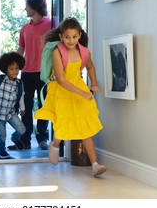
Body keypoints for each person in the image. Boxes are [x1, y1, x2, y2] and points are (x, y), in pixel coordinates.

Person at [35, 17, 106, 177]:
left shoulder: (84, 52)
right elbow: (61, 79)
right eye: (67, 37)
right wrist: (83, 93)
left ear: (79, 35)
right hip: (61, 90)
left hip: (78, 87)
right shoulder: (57, 52)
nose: (71, 40)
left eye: (74, 36)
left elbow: (90, 66)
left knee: (85, 126)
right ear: (61, 36)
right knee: (63, 121)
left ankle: (95, 165)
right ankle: (56, 144)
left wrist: (94, 83)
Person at [9, 0, 51, 151]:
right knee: (25, 107)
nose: (25, 9)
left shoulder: (51, 24)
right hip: (26, 72)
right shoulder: (24, 28)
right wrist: (12, 66)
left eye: (27, 6)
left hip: (45, 73)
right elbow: (21, 48)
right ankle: (25, 140)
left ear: (34, 7)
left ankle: (42, 137)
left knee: (43, 106)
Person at [0, 52, 27, 159]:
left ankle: (15, 139)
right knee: (2, 134)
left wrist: (23, 108)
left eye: (17, 68)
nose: (15, 71)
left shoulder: (20, 83)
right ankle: (1, 151)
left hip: (10, 112)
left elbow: (21, 96)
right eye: (11, 69)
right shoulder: (0, 79)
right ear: (5, 69)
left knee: (22, 129)